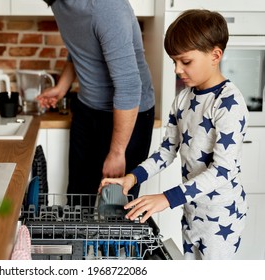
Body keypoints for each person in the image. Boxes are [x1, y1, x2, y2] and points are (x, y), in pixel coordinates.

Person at [100, 9, 249, 260]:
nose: (177, 69)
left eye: (185, 61)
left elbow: (223, 170)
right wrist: (132, 179)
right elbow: (167, 151)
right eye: (174, 62)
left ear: (215, 55)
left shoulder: (228, 103)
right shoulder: (183, 99)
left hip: (221, 217)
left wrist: (167, 198)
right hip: (192, 210)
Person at [39, 0, 156, 205]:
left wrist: (117, 152)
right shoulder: (59, 3)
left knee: (114, 206)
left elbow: (129, 87)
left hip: (127, 115)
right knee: (77, 198)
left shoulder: (106, 6)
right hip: (87, 109)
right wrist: (62, 86)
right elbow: (81, 46)